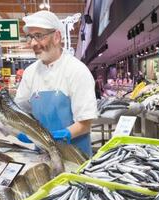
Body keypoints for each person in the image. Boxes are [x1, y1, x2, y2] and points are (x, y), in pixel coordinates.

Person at [14, 10, 97, 156]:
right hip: (43, 154)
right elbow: (21, 109)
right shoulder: (30, 73)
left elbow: (85, 123)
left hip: (76, 155)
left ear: (57, 36)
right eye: (30, 37)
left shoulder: (77, 71)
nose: (33, 43)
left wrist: (63, 134)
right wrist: (21, 129)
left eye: (39, 36)